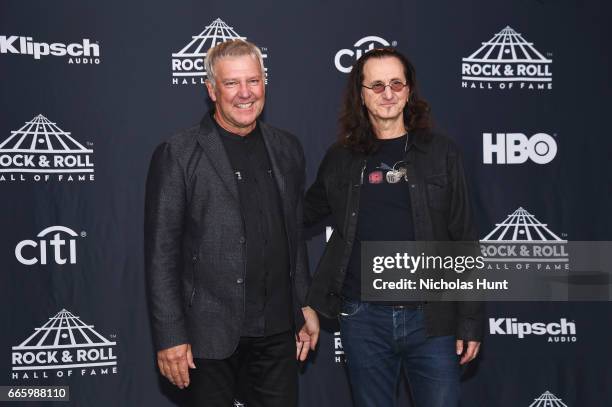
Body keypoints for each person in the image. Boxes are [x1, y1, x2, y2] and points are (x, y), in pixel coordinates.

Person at [304, 47, 484, 407]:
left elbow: (465, 240)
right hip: (362, 319)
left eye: (397, 84)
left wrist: (470, 321)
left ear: (409, 91)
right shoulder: (340, 158)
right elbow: (296, 218)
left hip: (431, 319)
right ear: (361, 94)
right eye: (377, 85)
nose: (388, 93)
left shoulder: (442, 153)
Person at [144, 39, 319, 407]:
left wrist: (303, 304)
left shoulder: (287, 148)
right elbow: (161, 254)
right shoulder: (178, 153)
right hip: (208, 336)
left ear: (264, 84)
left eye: (253, 81)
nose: (245, 93)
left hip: (276, 333)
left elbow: (293, 235)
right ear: (211, 90)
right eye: (231, 83)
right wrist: (171, 335)